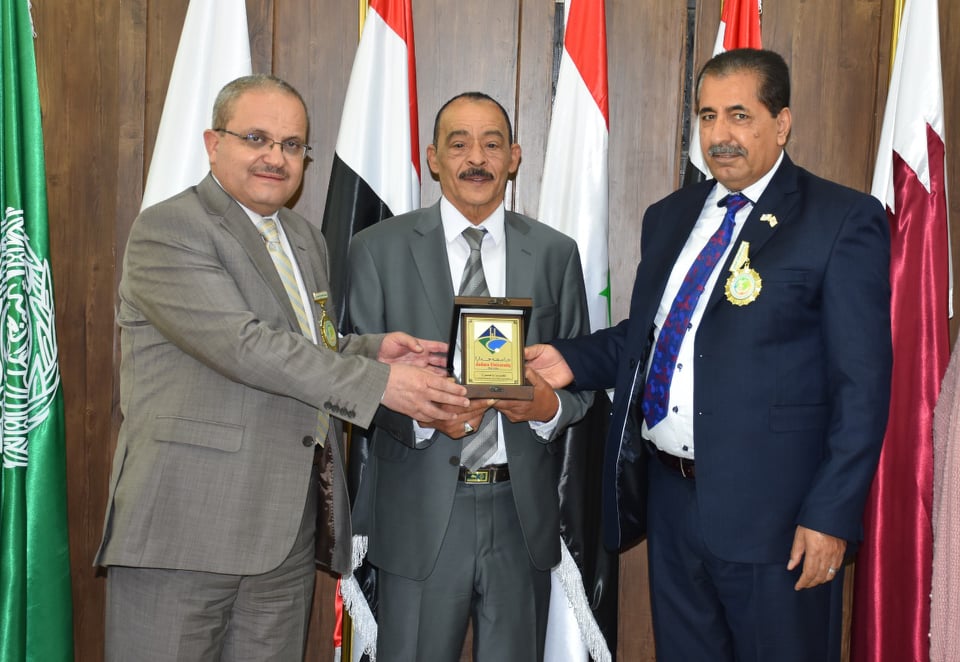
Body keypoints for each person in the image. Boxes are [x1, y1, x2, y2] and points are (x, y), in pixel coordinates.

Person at [526, 49, 892, 661]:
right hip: (673, 506)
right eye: (707, 116)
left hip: (780, 521)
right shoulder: (670, 217)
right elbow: (656, 334)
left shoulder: (841, 219)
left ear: (782, 123)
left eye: (740, 115)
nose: (720, 134)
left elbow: (864, 386)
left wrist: (830, 515)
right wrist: (571, 360)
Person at [94, 74, 468, 662]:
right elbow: (245, 346)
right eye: (256, 138)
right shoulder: (171, 229)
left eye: (292, 145)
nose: (275, 157)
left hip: (283, 532)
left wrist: (370, 351)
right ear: (213, 143)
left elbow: (306, 345)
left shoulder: (303, 238)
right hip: (185, 528)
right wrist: (381, 385)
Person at [345, 91, 592, 661]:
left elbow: (581, 378)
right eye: (458, 144)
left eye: (492, 144)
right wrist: (423, 416)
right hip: (419, 511)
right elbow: (350, 376)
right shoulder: (376, 250)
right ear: (433, 159)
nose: (476, 158)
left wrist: (547, 407)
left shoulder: (555, 253)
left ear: (514, 157)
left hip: (519, 512)